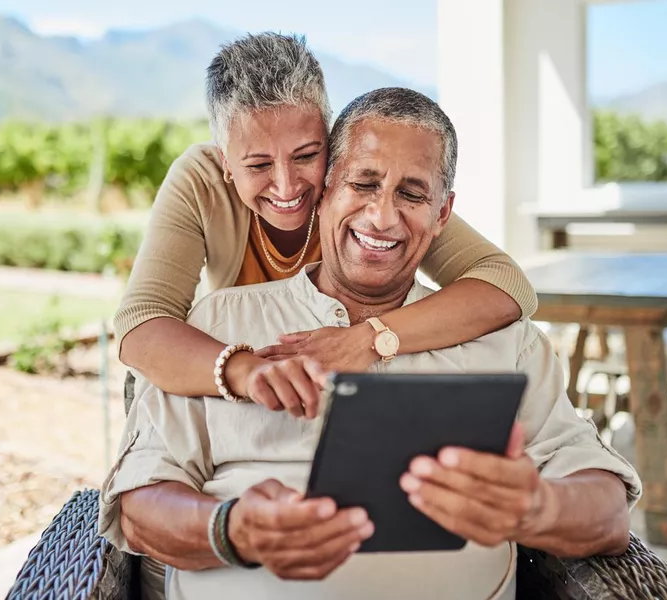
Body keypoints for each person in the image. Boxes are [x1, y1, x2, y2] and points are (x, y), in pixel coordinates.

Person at [99, 87, 641, 600]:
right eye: (363, 184)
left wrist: (538, 509)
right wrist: (233, 529)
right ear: (326, 189)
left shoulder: (506, 342)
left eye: (412, 194)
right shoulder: (218, 325)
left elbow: (608, 511)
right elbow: (138, 504)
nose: (382, 216)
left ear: (442, 215)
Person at [114, 32, 538, 414]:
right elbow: (141, 322)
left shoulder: (361, 181)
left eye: (306, 155)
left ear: (331, 140)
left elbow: (506, 284)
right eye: (258, 163)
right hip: (242, 393)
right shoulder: (200, 181)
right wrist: (246, 371)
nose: (286, 186)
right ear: (226, 162)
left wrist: (371, 337)